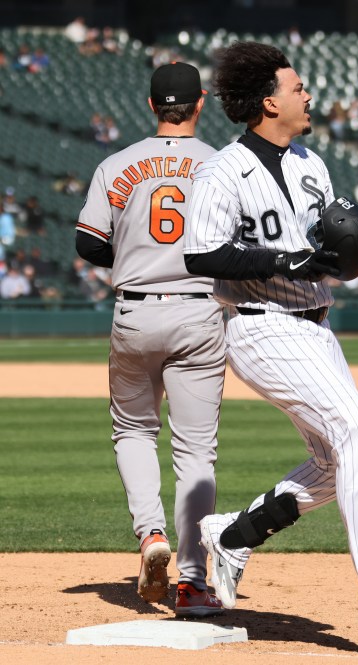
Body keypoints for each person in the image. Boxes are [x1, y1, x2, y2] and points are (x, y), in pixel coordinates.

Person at [183, 40, 358, 630]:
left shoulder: (310, 164)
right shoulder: (224, 170)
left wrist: (344, 254)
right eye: (298, 88)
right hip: (258, 325)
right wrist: (284, 261)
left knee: (329, 462)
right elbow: (202, 255)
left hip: (316, 326)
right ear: (269, 102)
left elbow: (321, 248)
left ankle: (233, 535)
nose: (308, 94)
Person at [75, 62, 226, 617]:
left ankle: (150, 535)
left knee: (134, 430)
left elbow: (89, 244)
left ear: (150, 105)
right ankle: (191, 580)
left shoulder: (118, 164)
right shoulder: (222, 165)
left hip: (135, 310)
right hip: (200, 310)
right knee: (196, 449)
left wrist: (137, 255)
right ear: (200, 103)